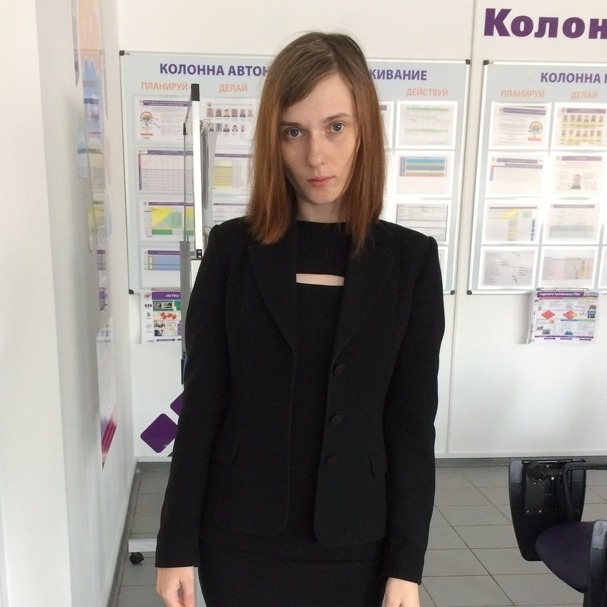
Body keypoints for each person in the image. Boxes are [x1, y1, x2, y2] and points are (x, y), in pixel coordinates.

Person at [156, 32, 445, 607]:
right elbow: (202, 405)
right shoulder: (233, 250)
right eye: (294, 131)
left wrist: (406, 566)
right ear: (273, 139)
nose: (316, 155)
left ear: (365, 131)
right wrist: (175, 545)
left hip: (357, 541)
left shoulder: (409, 261)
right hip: (238, 534)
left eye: (335, 127)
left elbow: (411, 427)